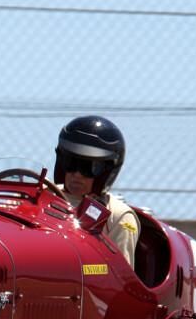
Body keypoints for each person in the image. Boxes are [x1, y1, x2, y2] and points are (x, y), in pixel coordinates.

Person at [53, 115, 140, 268]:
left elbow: (119, 276)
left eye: (88, 167)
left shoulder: (118, 217)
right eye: (70, 162)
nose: (77, 174)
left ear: (106, 172)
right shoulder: (41, 196)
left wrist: (83, 269)